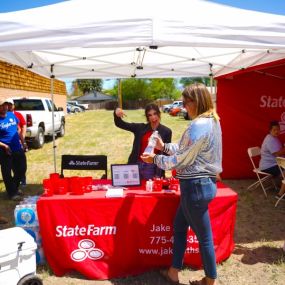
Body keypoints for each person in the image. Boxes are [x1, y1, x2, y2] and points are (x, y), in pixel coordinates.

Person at [141, 83, 222, 285]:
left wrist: (155, 159)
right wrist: (164, 146)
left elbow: (181, 159)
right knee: (179, 227)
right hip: (200, 185)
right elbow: (187, 148)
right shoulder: (212, 120)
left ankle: (210, 280)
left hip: (195, 186)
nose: (184, 106)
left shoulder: (199, 125)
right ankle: (173, 271)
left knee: (204, 238)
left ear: (197, 101)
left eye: (186, 102)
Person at [114, 103, 172, 180]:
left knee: (149, 190)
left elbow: (166, 154)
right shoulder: (140, 128)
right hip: (136, 165)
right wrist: (116, 112)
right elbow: (120, 124)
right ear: (147, 117)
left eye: (155, 114)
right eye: (150, 115)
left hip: (152, 168)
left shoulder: (166, 131)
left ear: (159, 114)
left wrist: (161, 172)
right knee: (132, 189)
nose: (153, 117)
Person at [0, 98, 25, 201]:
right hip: (4, 150)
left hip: (17, 147)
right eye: (2, 105)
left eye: (6, 105)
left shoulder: (11, 115)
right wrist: (4, 146)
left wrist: (22, 141)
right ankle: (12, 193)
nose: (5, 107)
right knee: (7, 172)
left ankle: (13, 187)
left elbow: (18, 128)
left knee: (22, 169)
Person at [259, 121, 285, 200]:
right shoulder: (270, 140)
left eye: (278, 129)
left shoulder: (274, 137)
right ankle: (280, 194)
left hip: (275, 163)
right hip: (268, 166)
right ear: (270, 130)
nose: (277, 131)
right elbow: (277, 154)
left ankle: (282, 185)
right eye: (274, 130)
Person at [5, 98, 28, 186]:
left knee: (22, 165)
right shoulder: (4, 116)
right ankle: (15, 183)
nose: (9, 106)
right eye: (8, 104)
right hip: (8, 147)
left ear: (14, 105)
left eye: (11, 104)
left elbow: (22, 127)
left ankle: (22, 179)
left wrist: (22, 140)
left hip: (18, 142)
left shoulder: (16, 115)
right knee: (13, 166)